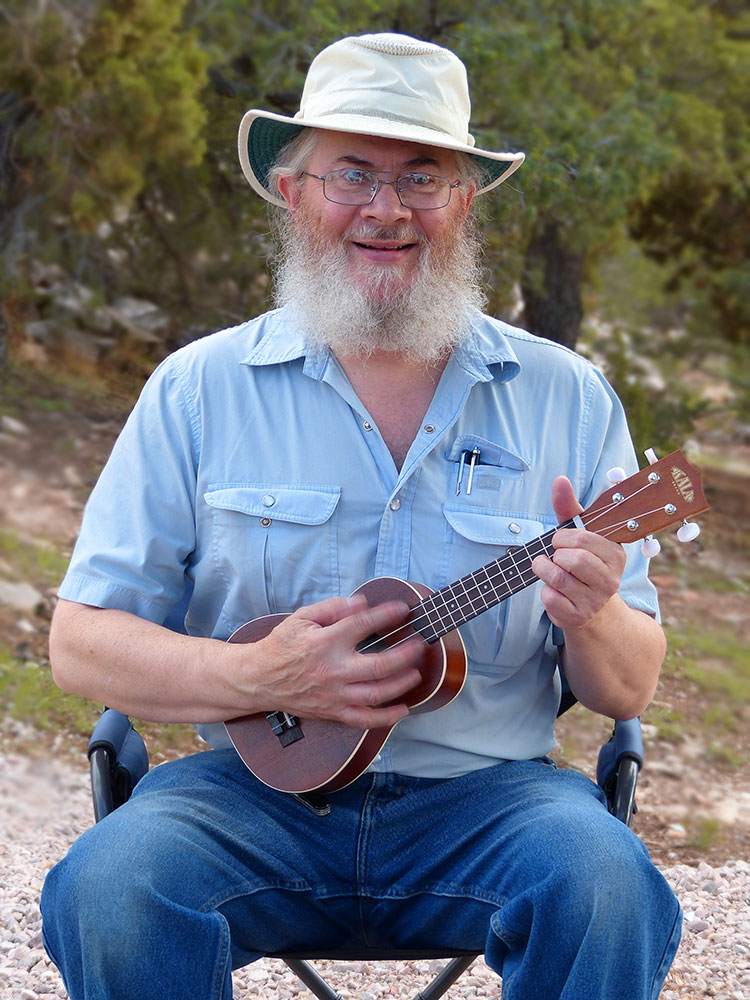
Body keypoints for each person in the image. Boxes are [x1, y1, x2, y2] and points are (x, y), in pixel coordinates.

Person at [40, 32, 681, 1000]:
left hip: (491, 802)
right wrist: (254, 672)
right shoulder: (199, 388)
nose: (387, 209)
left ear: (465, 201)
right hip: (248, 796)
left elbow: (628, 690)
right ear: (294, 195)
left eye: (423, 176)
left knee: (605, 887)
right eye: (352, 174)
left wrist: (591, 610)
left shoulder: (571, 398)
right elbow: (80, 645)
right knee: (113, 887)